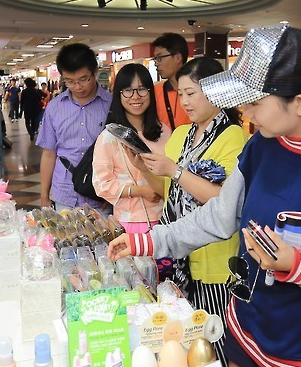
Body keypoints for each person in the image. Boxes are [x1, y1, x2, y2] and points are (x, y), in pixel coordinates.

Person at [108, 26, 301, 367]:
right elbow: (220, 216)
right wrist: (148, 241)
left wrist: (298, 264)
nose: (246, 112)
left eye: (255, 102)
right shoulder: (261, 147)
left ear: (300, 103)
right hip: (251, 328)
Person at [132, 56, 248, 367]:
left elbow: (226, 200)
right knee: (187, 340)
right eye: (180, 94)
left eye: (191, 93)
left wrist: (175, 169)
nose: (184, 101)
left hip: (214, 258)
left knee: (215, 342)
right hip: (180, 255)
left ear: (215, 93)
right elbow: (165, 188)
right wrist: (146, 168)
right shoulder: (182, 134)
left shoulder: (232, 136)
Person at [92, 63, 169, 233]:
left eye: (142, 89)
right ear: (118, 94)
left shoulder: (164, 131)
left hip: (167, 220)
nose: (135, 96)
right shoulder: (110, 136)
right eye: (128, 90)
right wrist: (140, 191)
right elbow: (101, 184)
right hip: (130, 222)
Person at [36, 43, 112, 212]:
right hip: (64, 193)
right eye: (70, 81)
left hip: (102, 195)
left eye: (84, 79)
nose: (78, 87)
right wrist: (44, 197)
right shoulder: (55, 107)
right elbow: (49, 154)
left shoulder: (111, 105)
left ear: (95, 72)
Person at [152, 32, 191, 131]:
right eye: (155, 58)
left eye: (160, 58)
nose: (156, 63)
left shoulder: (200, 88)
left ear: (177, 57)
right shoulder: (155, 91)